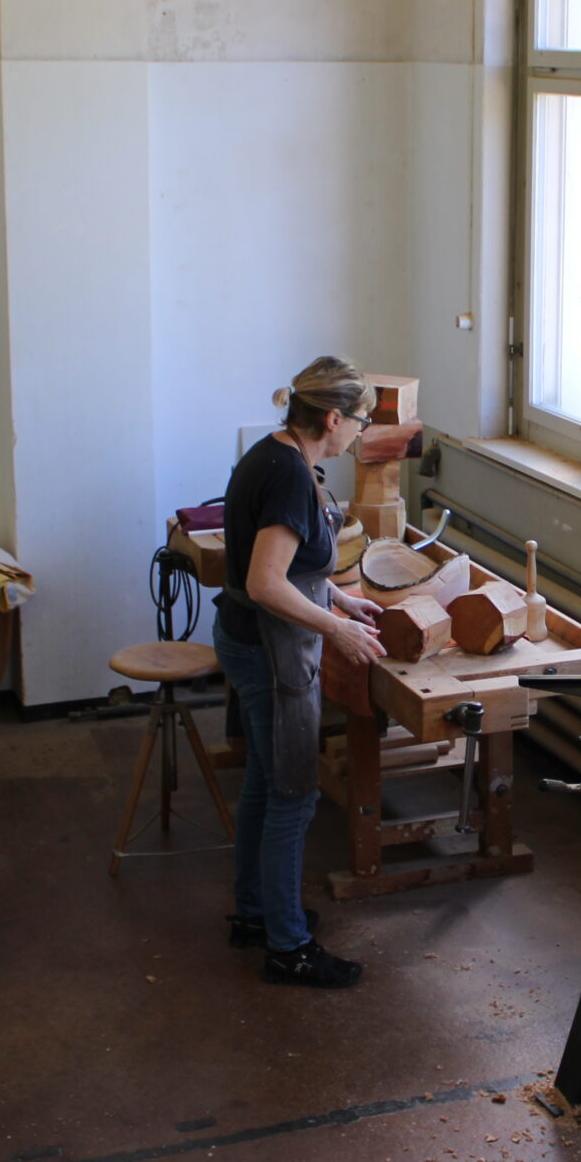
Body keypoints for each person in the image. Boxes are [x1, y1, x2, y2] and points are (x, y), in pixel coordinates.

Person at [211, 356, 386, 986]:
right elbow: (265, 583)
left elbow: (287, 565)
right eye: (361, 421)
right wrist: (336, 629)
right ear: (333, 418)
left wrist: (338, 598)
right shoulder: (288, 475)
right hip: (268, 650)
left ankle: (255, 913)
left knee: (264, 782)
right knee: (294, 793)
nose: (361, 434)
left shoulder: (277, 453)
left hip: (248, 639)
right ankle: (288, 947)